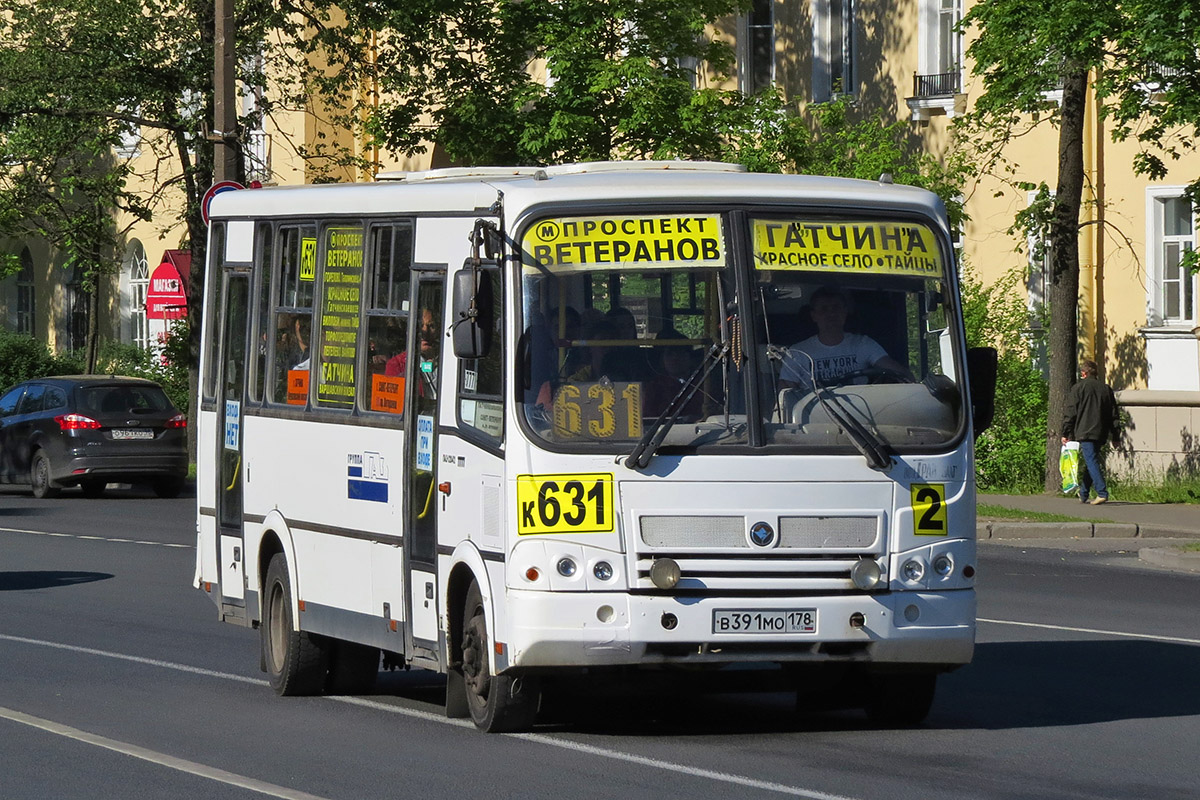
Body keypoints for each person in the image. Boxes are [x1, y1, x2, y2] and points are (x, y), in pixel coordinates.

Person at [778, 285, 910, 389]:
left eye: (836, 308)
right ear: (814, 316)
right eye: (824, 309)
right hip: (813, 421)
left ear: (845, 311)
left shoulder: (863, 344)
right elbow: (784, 399)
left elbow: (902, 375)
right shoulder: (797, 353)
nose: (831, 314)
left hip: (862, 417)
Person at [1061, 359, 1121, 504]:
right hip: (1101, 431)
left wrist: (1066, 432)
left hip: (1085, 430)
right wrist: (1115, 435)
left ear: (1084, 373)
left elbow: (1071, 412)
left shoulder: (1078, 388)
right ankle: (1084, 493)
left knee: (1091, 460)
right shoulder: (1105, 389)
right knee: (1092, 460)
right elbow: (1113, 414)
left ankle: (1102, 492)